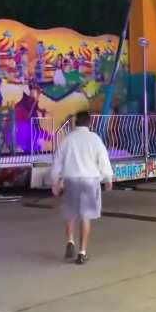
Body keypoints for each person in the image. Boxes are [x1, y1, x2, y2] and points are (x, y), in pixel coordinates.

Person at [51, 111, 113, 264]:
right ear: (89, 123)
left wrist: (55, 181)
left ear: (75, 123)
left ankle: (70, 241)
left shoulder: (67, 139)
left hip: (71, 179)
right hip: (89, 181)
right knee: (86, 216)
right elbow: (103, 160)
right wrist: (108, 178)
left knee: (70, 213)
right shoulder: (95, 139)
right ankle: (82, 252)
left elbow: (57, 161)